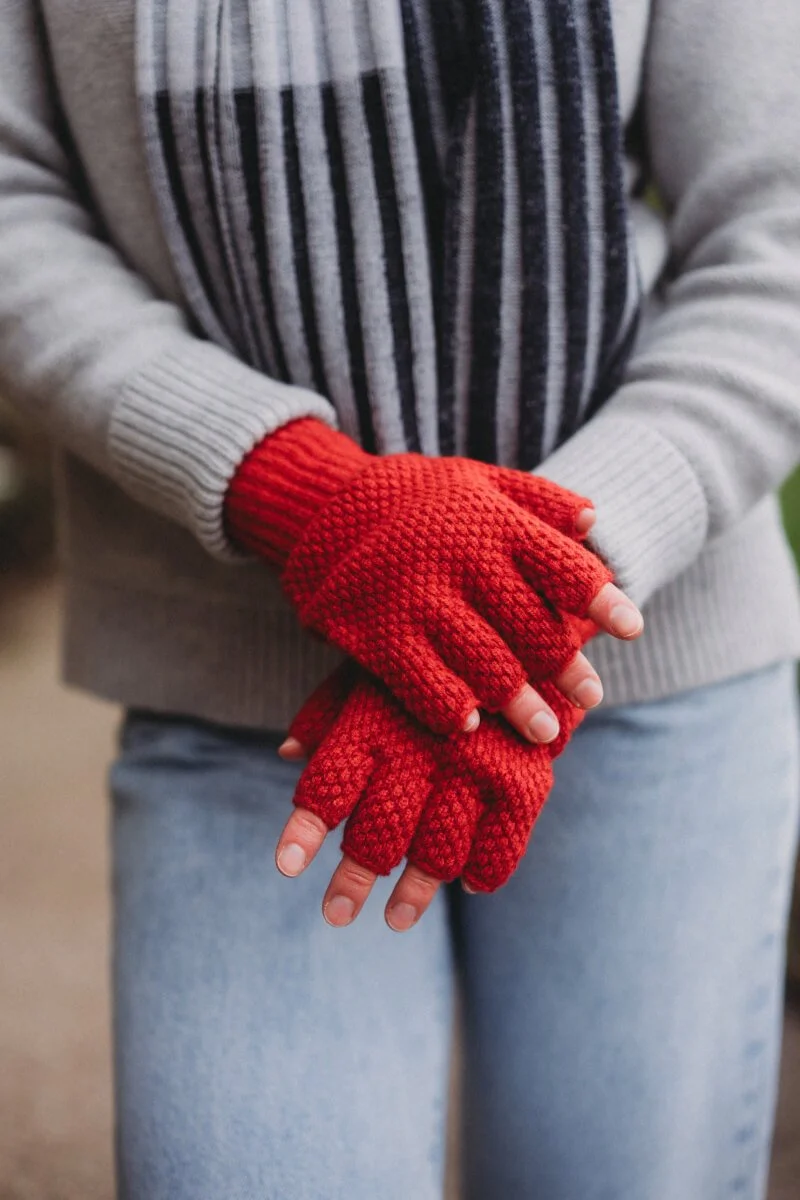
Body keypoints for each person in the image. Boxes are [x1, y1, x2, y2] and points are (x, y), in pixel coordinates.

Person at [2, 0, 800, 1196]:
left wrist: (535, 594)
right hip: (250, 708)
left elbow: (775, 225)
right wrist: (300, 492)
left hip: (640, 678)